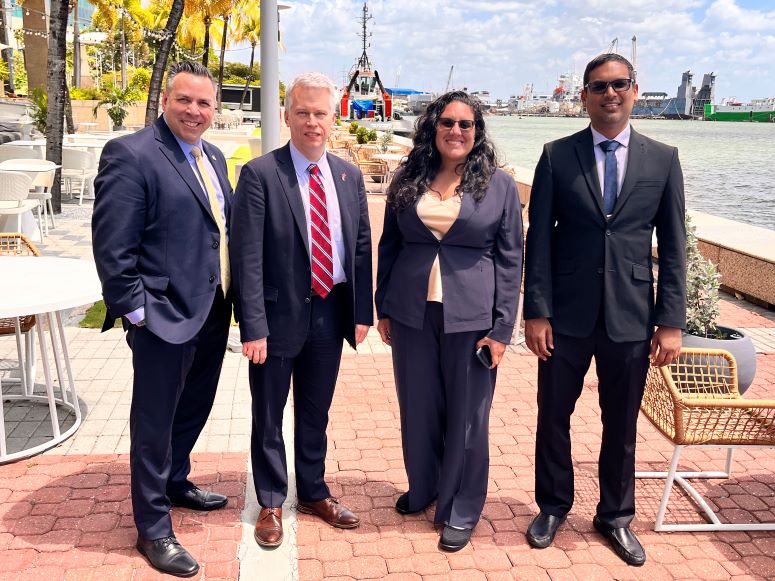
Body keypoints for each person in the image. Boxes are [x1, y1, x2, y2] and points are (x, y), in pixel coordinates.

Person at [523, 53, 686, 566]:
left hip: (631, 317)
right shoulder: (556, 156)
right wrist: (536, 311)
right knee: (553, 415)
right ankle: (553, 506)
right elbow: (538, 240)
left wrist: (670, 321)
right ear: (584, 96)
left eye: (619, 84)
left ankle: (615, 516)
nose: (609, 94)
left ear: (635, 90)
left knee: (621, 423)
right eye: (599, 86)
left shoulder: (663, 159)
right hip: (565, 317)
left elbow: (675, 246)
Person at [92, 61, 232, 577]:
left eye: (204, 103)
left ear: (214, 109)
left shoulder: (214, 157)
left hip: (213, 309)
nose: (194, 111)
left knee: (194, 405)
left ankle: (175, 480)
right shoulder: (131, 154)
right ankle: (153, 528)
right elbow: (112, 247)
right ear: (166, 101)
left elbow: (217, 230)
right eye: (184, 100)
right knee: (154, 422)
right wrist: (138, 313)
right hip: (161, 316)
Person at [229, 72, 373, 548]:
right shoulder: (260, 174)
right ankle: (271, 501)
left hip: (330, 313)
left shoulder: (348, 175)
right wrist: (252, 325)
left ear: (334, 119)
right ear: (287, 116)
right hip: (275, 319)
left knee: (316, 412)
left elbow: (360, 246)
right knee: (269, 414)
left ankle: (313, 491)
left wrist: (362, 311)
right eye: (303, 112)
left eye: (321, 113)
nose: (313, 122)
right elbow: (247, 256)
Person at [375, 91, 523, 552]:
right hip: (412, 312)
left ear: (477, 132)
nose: (456, 131)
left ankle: (461, 506)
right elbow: (390, 244)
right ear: (432, 127)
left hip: (473, 317)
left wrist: (502, 329)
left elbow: (510, 259)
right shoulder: (408, 177)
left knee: (468, 417)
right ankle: (424, 486)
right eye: (447, 122)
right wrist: (383, 306)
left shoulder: (498, 185)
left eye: (465, 124)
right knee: (418, 407)